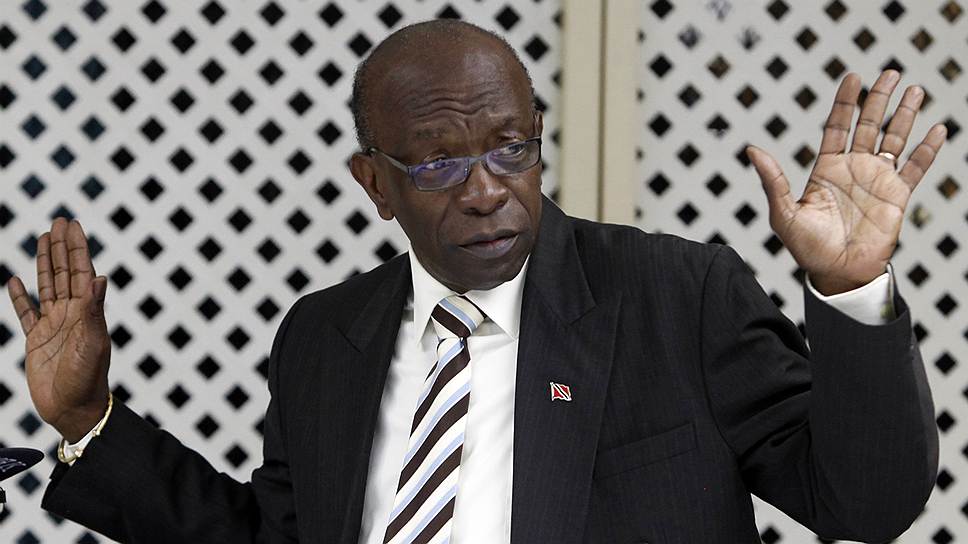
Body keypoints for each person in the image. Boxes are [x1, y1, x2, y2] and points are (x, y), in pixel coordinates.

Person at [5, 19, 943, 544]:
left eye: (509, 148)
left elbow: (864, 502)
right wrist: (88, 421)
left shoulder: (674, 294)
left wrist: (853, 290)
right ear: (375, 185)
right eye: (438, 163)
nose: (487, 189)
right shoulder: (325, 337)